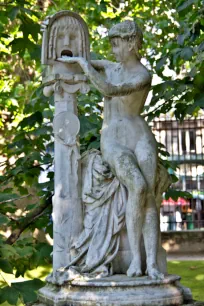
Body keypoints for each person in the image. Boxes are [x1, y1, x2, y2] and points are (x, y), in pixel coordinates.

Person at [58, 20, 163, 279]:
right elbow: (91, 65)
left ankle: (151, 264)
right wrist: (77, 60)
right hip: (113, 139)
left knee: (148, 196)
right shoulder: (111, 68)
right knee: (137, 186)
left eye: (117, 45)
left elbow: (109, 90)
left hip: (139, 136)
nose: (113, 51)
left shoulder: (142, 75)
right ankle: (135, 261)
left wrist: (84, 64)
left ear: (131, 43)